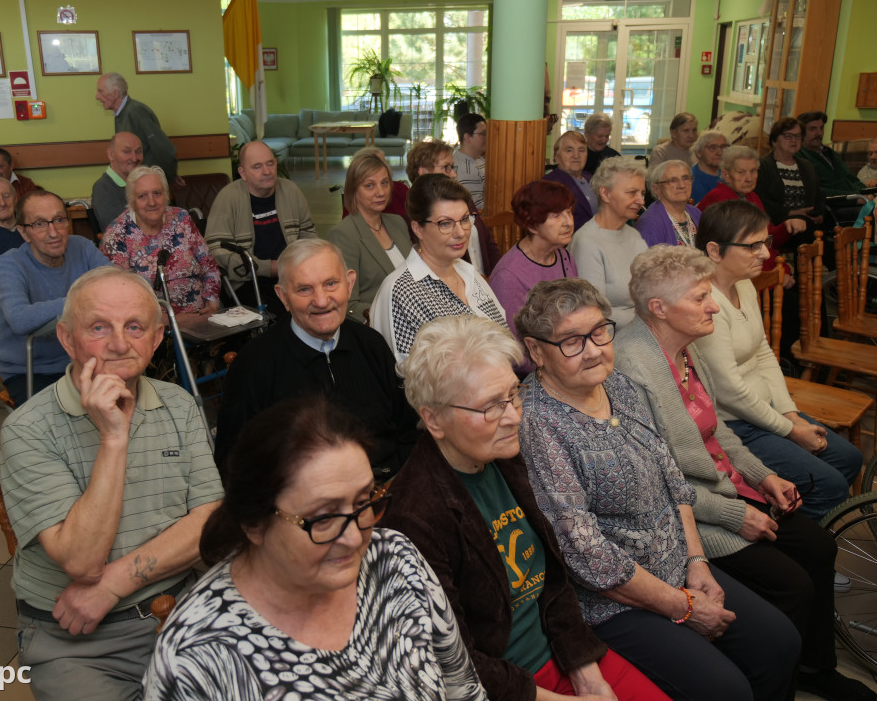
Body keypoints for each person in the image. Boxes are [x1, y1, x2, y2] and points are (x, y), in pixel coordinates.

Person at [516, 278, 801, 701]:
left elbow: (671, 477)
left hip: (679, 565)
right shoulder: (536, 423)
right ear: (536, 351)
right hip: (614, 602)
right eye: (572, 341)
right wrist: (682, 605)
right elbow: (586, 556)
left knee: (780, 641)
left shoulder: (615, 384)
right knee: (724, 689)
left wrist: (697, 562)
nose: (594, 349)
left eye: (598, 332)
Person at [614, 245, 875, 701]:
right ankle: (776, 683)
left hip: (728, 489)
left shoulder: (685, 349)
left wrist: (762, 476)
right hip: (696, 515)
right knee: (791, 585)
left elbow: (718, 432)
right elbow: (663, 481)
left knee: (817, 545)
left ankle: (815, 667)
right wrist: (736, 516)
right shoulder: (633, 367)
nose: (713, 304)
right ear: (659, 308)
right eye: (699, 297)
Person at [384, 314, 669, 701]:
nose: (514, 416)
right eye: (490, 407)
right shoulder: (414, 517)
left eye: (513, 394)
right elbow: (455, 666)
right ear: (433, 419)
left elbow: (553, 580)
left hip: (565, 650)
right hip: (510, 687)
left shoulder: (503, 456)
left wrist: (585, 670)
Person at [143, 396, 488, 701]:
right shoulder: (194, 657)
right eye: (323, 518)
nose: (354, 538)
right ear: (254, 523)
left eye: (364, 501)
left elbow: (463, 689)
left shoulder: (395, 560)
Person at [1, 267, 223, 701]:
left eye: (134, 327)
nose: (120, 344)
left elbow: (210, 522)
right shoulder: (27, 428)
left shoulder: (178, 404)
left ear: (157, 338)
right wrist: (113, 437)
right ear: (67, 339)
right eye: (99, 327)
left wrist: (114, 583)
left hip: (182, 607)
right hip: (76, 642)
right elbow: (82, 563)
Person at [691, 201, 861, 519]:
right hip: (735, 424)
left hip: (766, 411)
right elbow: (728, 391)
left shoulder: (743, 284)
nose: (766, 254)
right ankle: (796, 543)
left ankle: (803, 525)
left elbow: (764, 353)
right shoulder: (704, 301)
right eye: (753, 245)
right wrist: (789, 429)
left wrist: (791, 414)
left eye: (765, 242)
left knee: (848, 458)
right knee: (830, 485)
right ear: (715, 250)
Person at [214, 238, 417, 480]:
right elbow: (233, 465)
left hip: (389, 491)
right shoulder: (255, 365)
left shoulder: (371, 344)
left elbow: (409, 431)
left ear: (349, 284)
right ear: (283, 296)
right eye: (304, 289)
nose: (321, 301)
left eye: (331, 284)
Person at [371, 173, 506, 362]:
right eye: (445, 223)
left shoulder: (469, 273)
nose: (460, 233)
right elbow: (408, 376)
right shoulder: (401, 291)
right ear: (418, 229)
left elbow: (505, 335)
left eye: (465, 219)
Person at [0, 190, 109, 406]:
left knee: (127, 406)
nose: (53, 232)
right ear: (23, 232)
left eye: (58, 220)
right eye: (39, 224)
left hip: (85, 360)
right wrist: (81, 300)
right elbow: (19, 319)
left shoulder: (81, 247)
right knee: (56, 430)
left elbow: (116, 284)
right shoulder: (9, 263)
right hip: (31, 369)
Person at [205, 140, 316, 315]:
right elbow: (217, 252)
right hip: (247, 282)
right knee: (284, 315)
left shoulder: (291, 191)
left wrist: (298, 264)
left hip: (291, 275)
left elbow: (309, 236)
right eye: (257, 167)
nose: (266, 171)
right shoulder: (228, 198)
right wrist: (269, 268)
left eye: (270, 164)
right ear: (243, 172)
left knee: (318, 305)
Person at [100, 165, 219, 316]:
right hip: (152, 324)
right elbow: (119, 296)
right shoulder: (116, 236)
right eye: (142, 196)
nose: (152, 202)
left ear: (166, 195)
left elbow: (209, 266)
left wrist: (212, 300)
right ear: (131, 201)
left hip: (201, 315)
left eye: (157, 193)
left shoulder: (181, 219)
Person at [327, 149, 412, 322]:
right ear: (353, 190)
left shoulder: (397, 223)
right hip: (378, 326)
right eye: (369, 185)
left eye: (384, 183)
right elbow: (348, 304)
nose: (380, 192)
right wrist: (396, 316)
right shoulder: (343, 234)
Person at [488, 179, 576, 340]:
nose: (569, 222)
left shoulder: (564, 256)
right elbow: (514, 346)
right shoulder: (508, 276)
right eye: (556, 216)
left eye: (569, 212)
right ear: (532, 225)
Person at [569, 156, 647, 328]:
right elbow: (595, 310)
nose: (641, 201)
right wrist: (648, 321)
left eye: (642, 193)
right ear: (605, 193)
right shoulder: (587, 242)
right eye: (632, 192)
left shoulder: (635, 236)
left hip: (643, 329)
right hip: (611, 338)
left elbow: (653, 290)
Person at [697, 145, 805, 268]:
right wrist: (778, 272)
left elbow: (767, 239)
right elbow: (744, 250)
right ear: (726, 175)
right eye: (741, 172)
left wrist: (787, 226)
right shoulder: (719, 200)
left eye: (753, 171)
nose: (749, 178)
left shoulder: (752, 196)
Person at [407, 139, 499, 275]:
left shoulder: (461, 198)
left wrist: (496, 276)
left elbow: (487, 240)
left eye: (452, 167)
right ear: (424, 172)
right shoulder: (415, 212)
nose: (454, 174)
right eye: (446, 167)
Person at [95, 72, 178, 185]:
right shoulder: (123, 113)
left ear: (114, 93)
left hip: (148, 184)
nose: (97, 97)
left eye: (101, 91)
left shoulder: (136, 112)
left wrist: (169, 177)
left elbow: (165, 149)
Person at [755, 117, 825, 242]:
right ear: (775, 140)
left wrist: (819, 215)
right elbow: (761, 200)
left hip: (808, 221)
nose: (794, 140)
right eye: (788, 136)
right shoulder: (763, 166)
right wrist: (790, 213)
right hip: (778, 222)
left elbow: (819, 196)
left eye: (798, 136)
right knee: (810, 234)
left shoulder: (807, 166)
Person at [796, 110, 867, 199]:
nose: (819, 133)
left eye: (821, 128)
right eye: (813, 129)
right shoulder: (798, 157)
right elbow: (813, 191)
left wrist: (868, 192)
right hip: (834, 205)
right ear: (801, 132)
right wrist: (854, 199)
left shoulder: (828, 152)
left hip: (856, 198)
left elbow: (851, 178)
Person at [636, 159, 702, 247]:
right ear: (657, 189)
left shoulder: (696, 213)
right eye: (672, 180)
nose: (682, 185)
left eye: (686, 178)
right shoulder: (650, 223)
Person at [91, 131, 143, 233]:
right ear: (111, 155)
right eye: (127, 152)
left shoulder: (144, 183)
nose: (134, 158)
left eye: (138, 151)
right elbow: (119, 231)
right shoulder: (102, 188)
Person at [544, 131, 596, 232]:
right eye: (569, 150)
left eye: (581, 150)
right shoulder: (549, 185)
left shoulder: (591, 178)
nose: (576, 155)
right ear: (556, 157)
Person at [454, 113, 487, 209]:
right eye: (483, 134)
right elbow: (478, 209)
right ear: (467, 137)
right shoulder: (465, 170)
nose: (487, 138)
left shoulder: (477, 159)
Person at [690, 130, 727, 204]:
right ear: (699, 152)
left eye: (723, 147)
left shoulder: (727, 176)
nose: (720, 153)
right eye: (713, 147)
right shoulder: (691, 180)